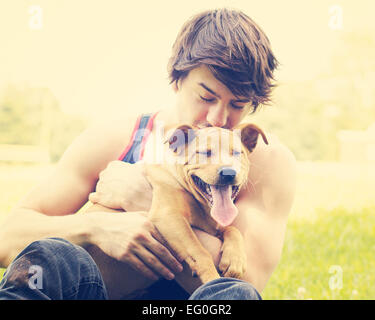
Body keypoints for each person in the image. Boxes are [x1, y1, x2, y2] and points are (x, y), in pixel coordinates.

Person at [0, 8, 296, 300]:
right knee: (54, 256)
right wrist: (94, 226)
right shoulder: (115, 140)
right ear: (178, 79)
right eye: (206, 97)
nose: (218, 118)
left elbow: (245, 285)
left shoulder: (269, 162)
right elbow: (6, 237)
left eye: (237, 104)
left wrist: (149, 204)